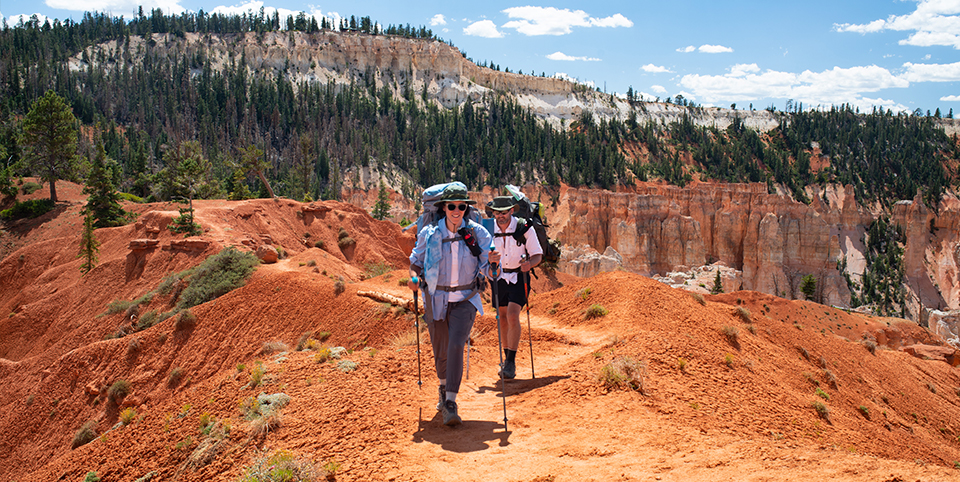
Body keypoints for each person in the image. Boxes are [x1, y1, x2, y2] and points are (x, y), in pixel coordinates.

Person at [408, 185, 494, 427]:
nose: (457, 211)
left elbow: (488, 268)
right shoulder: (429, 233)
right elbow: (416, 261)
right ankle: (444, 386)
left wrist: (494, 266)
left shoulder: (477, 234)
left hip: (465, 300)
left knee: (456, 345)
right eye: (452, 206)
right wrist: (414, 277)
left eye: (462, 206)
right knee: (441, 352)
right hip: (435, 299)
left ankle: (451, 402)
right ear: (444, 208)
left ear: (466, 208)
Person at [486, 195, 542, 379]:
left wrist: (530, 264)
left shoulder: (523, 228)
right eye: (497, 212)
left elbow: (537, 255)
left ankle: (510, 361)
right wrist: (488, 260)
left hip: (519, 275)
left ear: (511, 210)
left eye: (504, 212)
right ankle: (506, 357)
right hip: (498, 276)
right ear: (493, 212)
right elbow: (480, 252)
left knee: (512, 314)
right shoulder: (488, 229)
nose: (500, 216)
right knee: (502, 317)